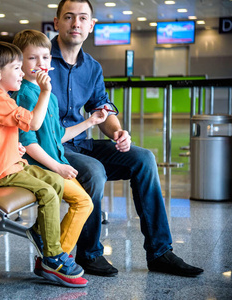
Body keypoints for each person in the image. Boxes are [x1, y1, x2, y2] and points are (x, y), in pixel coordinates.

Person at [49, 0, 204, 277]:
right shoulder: (40, 58)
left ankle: (160, 252)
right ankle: (89, 252)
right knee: (93, 170)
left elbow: (103, 108)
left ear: (91, 26)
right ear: (57, 22)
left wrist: (118, 132)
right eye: (69, 17)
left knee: (144, 158)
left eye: (83, 18)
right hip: (49, 147)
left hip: (79, 144)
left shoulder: (92, 68)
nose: (76, 23)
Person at [0, 41, 87, 287]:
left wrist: (14, 145)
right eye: (16, 68)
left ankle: (39, 231)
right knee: (47, 192)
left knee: (55, 180)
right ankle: (52, 257)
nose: (22, 73)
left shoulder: (2, 98)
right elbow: (33, 124)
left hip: (11, 163)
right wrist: (45, 92)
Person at [11, 29, 105, 276]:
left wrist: (89, 122)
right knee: (83, 201)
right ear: (19, 64)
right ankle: (54, 258)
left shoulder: (47, 95)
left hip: (53, 163)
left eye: (46, 57)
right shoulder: (23, 95)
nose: (41, 63)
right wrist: (57, 167)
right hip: (38, 167)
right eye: (33, 59)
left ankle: (49, 248)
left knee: (83, 202)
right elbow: (28, 142)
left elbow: (57, 136)